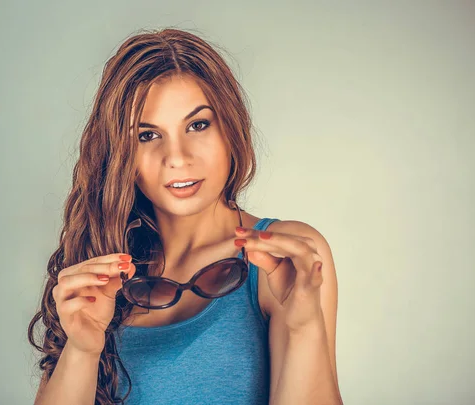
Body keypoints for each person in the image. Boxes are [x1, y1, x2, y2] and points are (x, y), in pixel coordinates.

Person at [28, 28, 343, 405]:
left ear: (231, 127)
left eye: (198, 125)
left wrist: (304, 326)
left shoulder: (282, 257)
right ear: (120, 154)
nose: (176, 157)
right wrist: (81, 351)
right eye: (146, 135)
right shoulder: (100, 266)